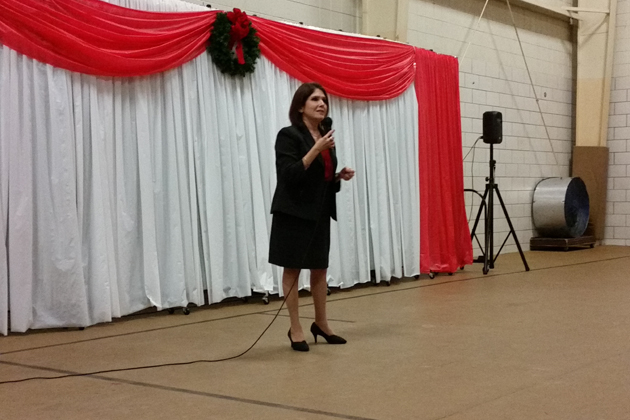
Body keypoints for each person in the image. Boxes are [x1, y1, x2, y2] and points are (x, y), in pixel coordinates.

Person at [269, 82, 355, 352]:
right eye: (315, 99)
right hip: (293, 212)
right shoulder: (289, 135)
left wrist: (338, 176)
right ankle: (295, 329)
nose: (322, 104)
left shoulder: (325, 136)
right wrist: (316, 149)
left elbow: (321, 176)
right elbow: (289, 175)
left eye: (324, 100)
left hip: (318, 212)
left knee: (320, 267)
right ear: (300, 107)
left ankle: (321, 323)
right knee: (292, 269)